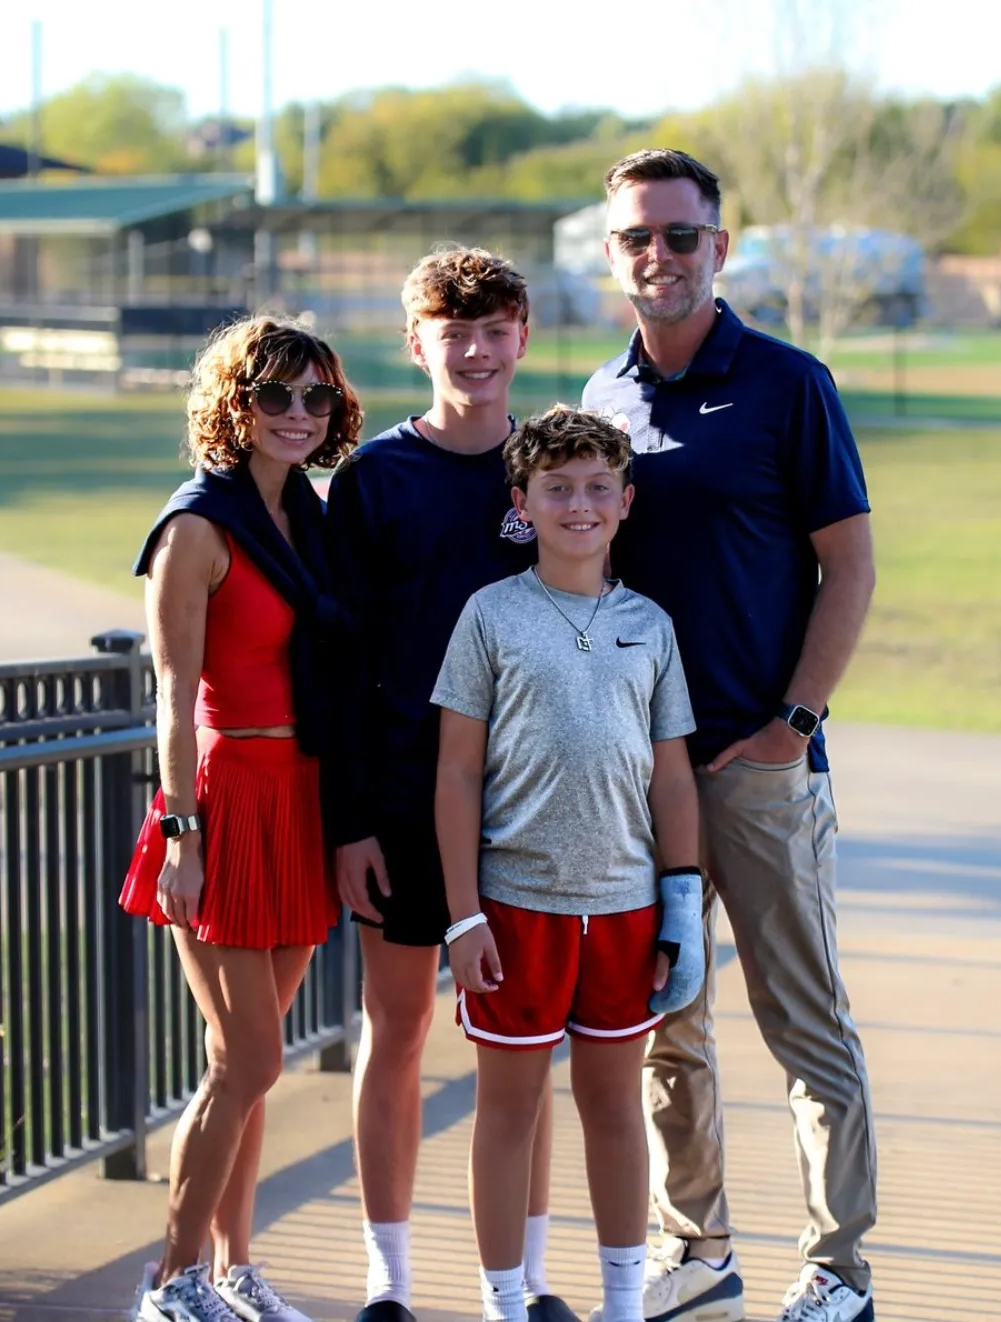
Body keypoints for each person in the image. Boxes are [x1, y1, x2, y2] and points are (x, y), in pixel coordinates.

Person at [582, 149, 879, 1322]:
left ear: (720, 242)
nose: (658, 256)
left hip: (758, 768)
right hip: (639, 779)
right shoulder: (600, 399)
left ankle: (838, 1265)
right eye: (635, 238)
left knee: (806, 1023)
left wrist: (791, 723)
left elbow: (848, 565)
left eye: (680, 234)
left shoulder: (787, 383)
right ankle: (695, 1240)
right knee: (668, 1020)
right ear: (612, 253)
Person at [327, 249, 575, 1322]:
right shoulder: (378, 478)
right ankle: (388, 1277)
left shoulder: (553, 468)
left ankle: (518, 1282)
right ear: (415, 342)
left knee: (523, 1048)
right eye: (450, 330)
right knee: (397, 1029)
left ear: (521, 336)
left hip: (528, 808)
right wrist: (349, 822)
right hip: (399, 796)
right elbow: (335, 661)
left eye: (493, 329)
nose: (473, 351)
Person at [433, 405, 704, 1322]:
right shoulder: (490, 615)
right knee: (508, 1112)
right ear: (524, 502)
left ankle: (623, 1304)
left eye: (597, 488)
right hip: (514, 909)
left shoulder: (653, 625)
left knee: (615, 1110)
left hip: (625, 910)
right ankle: (505, 1302)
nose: (578, 505)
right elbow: (458, 771)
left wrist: (681, 904)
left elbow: (672, 777)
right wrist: (463, 913)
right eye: (557, 488)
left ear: (625, 502)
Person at [120, 317, 362, 1322]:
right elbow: (172, 698)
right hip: (219, 804)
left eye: (313, 397)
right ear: (234, 404)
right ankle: (168, 1282)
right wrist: (181, 833)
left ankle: (231, 1267)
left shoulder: (305, 515)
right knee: (251, 1056)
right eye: (275, 396)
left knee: (249, 1068)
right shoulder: (196, 528)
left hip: (299, 795)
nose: (297, 415)